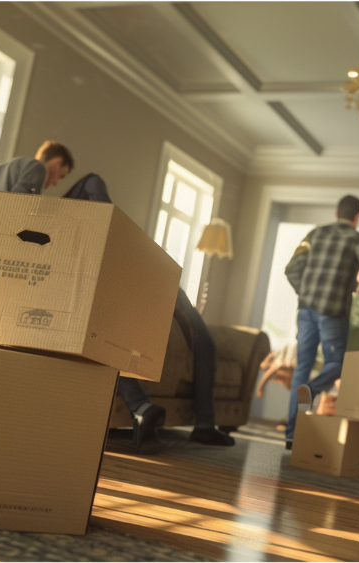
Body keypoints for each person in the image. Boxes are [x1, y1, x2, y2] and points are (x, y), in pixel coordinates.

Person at [63, 173, 235, 452]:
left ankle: (162, 413)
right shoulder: (81, 204)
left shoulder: (81, 207)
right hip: (140, 281)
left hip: (145, 276)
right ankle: (174, 417)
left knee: (202, 337)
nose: (54, 179)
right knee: (201, 338)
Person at [283, 195, 359, 449]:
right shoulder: (358, 240)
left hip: (306, 310)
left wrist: (306, 293)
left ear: (336, 213)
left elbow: (291, 268)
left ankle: (292, 434)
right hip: (333, 313)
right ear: (356, 217)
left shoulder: (314, 234)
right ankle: (311, 391)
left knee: (302, 368)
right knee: (337, 364)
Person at [0, 140, 74, 194]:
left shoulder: (1, 168)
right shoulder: (37, 168)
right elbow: (20, 206)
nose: (55, 182)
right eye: (61, 176)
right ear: (58, 163)